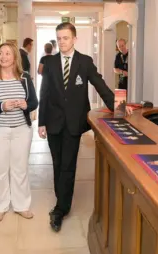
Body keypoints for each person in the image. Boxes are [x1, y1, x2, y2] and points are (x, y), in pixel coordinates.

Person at [38, 22, 132, 232]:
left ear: (74, 39)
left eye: (66, 38)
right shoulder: (50, 62)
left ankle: (61, 208)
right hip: (53, 121)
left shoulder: (85, 62)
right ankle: (61, 199)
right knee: (57, 163)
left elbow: (101, 86)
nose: (62, 42)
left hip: (73, 122)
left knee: (68, 165)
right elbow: (44, 93)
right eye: (59, 38)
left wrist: (119, 107)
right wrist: (41, 122)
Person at [0, 42, 38, 222]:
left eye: (7, 54)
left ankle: (22, 205)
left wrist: (26, 105)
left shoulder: (25, 78)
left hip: (22, 131)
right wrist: (1, 106)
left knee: (20, 169)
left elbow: (34, 102)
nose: (3, 57)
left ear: (15, 58)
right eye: (0, 54)